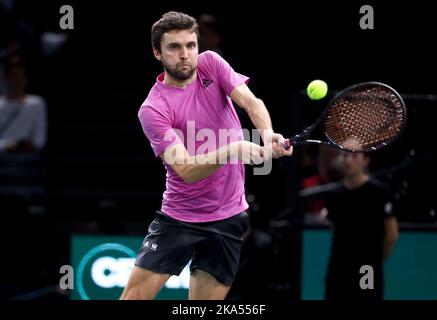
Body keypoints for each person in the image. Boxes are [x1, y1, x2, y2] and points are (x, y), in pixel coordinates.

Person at [120, 11, 292, 300]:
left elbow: (251, 102)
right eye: (174, 47)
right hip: (179, 218)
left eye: (191, 45)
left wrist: (268, 134)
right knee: (133, 298)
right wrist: (233, 149)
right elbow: (185, 169)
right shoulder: (153, 109)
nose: (185, 54)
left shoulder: (211, 64)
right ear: (157, 53)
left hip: (228, 216)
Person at [323, 140, 399, 300]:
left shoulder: (379, 192)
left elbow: (392, 233)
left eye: (354, 156)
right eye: (344, 155)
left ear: (366, 160)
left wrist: (375, 259)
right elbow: (334, 229)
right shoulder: (334, 194)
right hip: (338, 269)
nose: (348, 160)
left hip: (367, 269)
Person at [0, 57, 47, 153]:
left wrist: (23, 146)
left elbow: (39, 140)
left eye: (22, 77)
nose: (18, 81)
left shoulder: (36, 103)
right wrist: (6, 146)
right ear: (7, 79)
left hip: (26, 160)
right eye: (15, 76)